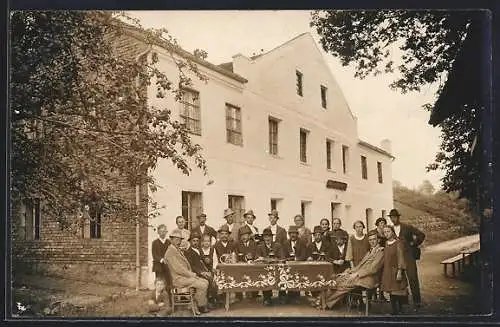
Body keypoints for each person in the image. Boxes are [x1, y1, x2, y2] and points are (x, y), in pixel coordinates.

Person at [324, 230, 384, 309]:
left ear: (378, 240)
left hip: (370, 278)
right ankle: (327, 302)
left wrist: (356, 274)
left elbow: (373, 269)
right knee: (338, 279)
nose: (372, 241)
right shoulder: (370, 251)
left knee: (342, 284)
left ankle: (327, 303)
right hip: (362, 276)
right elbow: (360, 266)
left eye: (374, 239)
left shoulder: (380, 252)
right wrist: (349, 271)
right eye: (370, 240)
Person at [164, 229, 210, 314]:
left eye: (180, 240)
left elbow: (184, 266)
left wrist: (192, 275)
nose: (179, 242)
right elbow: (179, 269)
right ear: (171, 239)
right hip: (178, 279)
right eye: (176, 239)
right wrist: (192, 275)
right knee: (202, 285)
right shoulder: (170, 252)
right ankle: (200, 306)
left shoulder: (176, 249)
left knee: (205, 281)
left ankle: (196, 303)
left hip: (183, 277)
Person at [388, 208, 425, 310]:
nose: (393, 219)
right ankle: (403, 302)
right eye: (391, 217)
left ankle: (417, 301)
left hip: (408, 257)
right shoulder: (390, 229)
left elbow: (421, 235)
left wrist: (414, 243)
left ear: (398, 217)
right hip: (397, 258)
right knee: (400, 280)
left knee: (413, 278)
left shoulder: (407, 227)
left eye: (395, 217)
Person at [183, 231, 218, 308]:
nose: (195, 243)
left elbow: (201, 263)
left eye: (197, 241)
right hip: (194, 273)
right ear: (190, 241)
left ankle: (210, 299)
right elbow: (191, 266)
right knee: (209, 280)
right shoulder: (188, 252)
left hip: (202, 271)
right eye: (193, 241)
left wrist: (207, 270)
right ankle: (204, 303)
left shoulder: (198, 250)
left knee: (213, 279)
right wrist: (202, 273)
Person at [380, 225, 409, 315]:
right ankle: (394, 310)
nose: (386, 234)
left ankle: (400, 309)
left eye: (388, 231)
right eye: (385, 232)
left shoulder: (398, 243)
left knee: (398, 290)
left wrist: (400, 271)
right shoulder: (385, 244)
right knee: (391, 290)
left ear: (392, 232)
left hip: (396, 270)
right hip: (388, 270)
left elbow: (401, 258)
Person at [306, 225, 334, 308]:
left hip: (324, 268)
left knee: (324, 281)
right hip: (313, 268)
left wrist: (324, 256)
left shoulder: (327, 244)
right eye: (316, 235)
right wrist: (309, 257)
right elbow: (308, 256)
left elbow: (330, 256)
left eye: (319, 235)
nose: (317, 236)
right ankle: (315, 297)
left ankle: (322, 298)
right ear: (313, 236)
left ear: (322, 235)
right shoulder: (310, 245)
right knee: (312, 280)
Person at [256, 228, 285, 306]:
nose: (267, 238)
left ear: (272, 237)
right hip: (265, 269)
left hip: (277, 268)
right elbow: (257, 257)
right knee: (264, 277)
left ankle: (282, 296)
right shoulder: (260, 246)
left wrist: (269, 259)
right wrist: (263, 260)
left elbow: (282, 257)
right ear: (263, 238)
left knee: (283, 275)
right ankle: (267, 297)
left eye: (269, 236)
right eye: (265, 237)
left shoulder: (278, 245)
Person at [283, 225, 309, 304]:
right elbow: (284, 255)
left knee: (297, 279)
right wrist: (288, 260)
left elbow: (304, 255)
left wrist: (296, 259)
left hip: (299, 265)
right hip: (289, 265)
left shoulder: (302, 242)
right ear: (288, 234)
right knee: (288, 279)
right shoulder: (286, 243)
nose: (292, 235)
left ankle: (296, 297)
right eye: (291, 233)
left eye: (294, 233)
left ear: (297, 234)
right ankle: (289, 296)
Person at [235, 225, 259, 300]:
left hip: (252, 266)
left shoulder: (254, 243)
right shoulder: (237, 244)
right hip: (241, 266)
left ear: (249, 235)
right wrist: (244, 258)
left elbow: (257, 255)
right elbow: (236, 255)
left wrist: (253, 259)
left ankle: (254, 294)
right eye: (242, 235)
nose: (244, 237)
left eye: (245, 235)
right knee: (236, 274)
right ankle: (239, 295)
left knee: (255, 274)